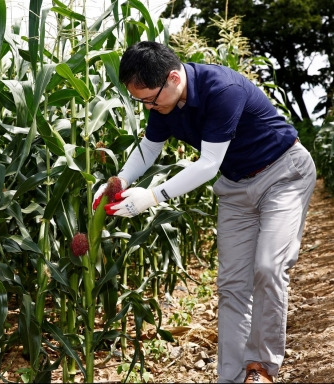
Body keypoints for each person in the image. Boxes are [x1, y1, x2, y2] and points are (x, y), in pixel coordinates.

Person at [93, 41, 316, 383]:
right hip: (236, 186)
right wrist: (119, 181)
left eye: (150, 99)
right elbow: (149, 148)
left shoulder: (221, 90)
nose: (148, 107)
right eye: (140, 102)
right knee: (231, 284)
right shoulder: (161, 103)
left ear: (172, 78)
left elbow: (208, 164)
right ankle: (231, 377)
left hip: (283, 174)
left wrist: (151, 197)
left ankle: (261, 368)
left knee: (269, 266)